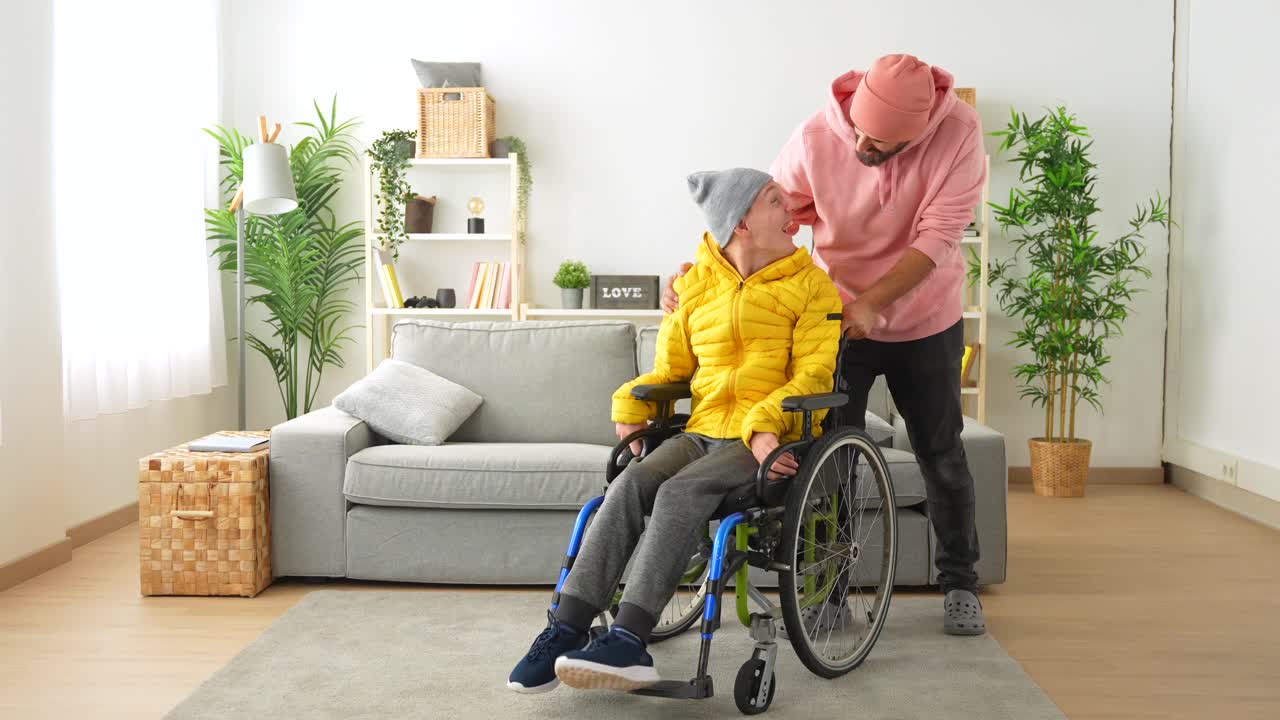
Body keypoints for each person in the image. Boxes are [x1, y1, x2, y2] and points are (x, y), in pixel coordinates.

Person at [661, 54, 989, 636]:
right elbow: (754, 218)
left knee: (941, 449)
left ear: (920, 131)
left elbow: (938, 236)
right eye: (860, 131)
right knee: (827, 453)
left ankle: (960, 582)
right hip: (834, 318)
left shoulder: (961, 134)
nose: (864, 145)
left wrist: (875, 302)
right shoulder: (814, 136)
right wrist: (703, 270)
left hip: (926, 317)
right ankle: (829, 590)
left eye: (883, 143)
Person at [507, 168, 842, 694]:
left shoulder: (812, 286)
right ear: (742, 222)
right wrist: (632, 406)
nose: (792, 210)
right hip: (703, 429)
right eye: (776, 201)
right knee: (629, 486)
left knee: (679, 491)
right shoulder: (694, 286)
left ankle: (628, 640)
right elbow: (670, 372)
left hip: (770, 436)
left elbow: (814, 375)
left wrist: (763, 429)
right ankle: (565, 628)